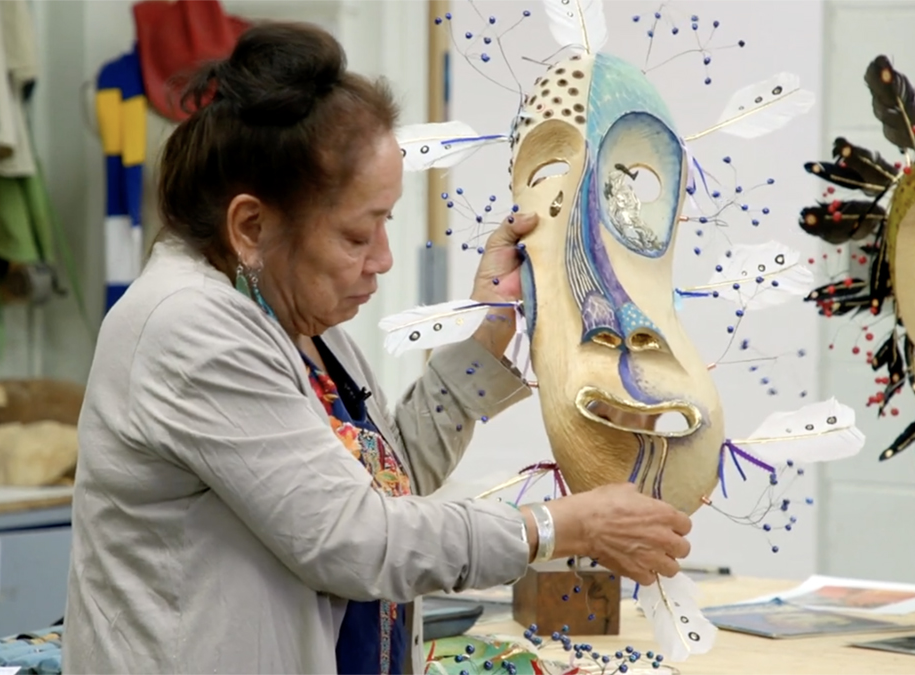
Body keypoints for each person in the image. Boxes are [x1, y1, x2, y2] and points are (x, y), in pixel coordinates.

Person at [62, 21, 694, 675]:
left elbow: (390, 487)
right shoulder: (187, 328)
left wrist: (489, 336)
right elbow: (358, 537)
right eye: (358, 234)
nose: (383, 260)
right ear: (251, 225)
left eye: (386, 223)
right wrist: (559, 526)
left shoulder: (293, 316)